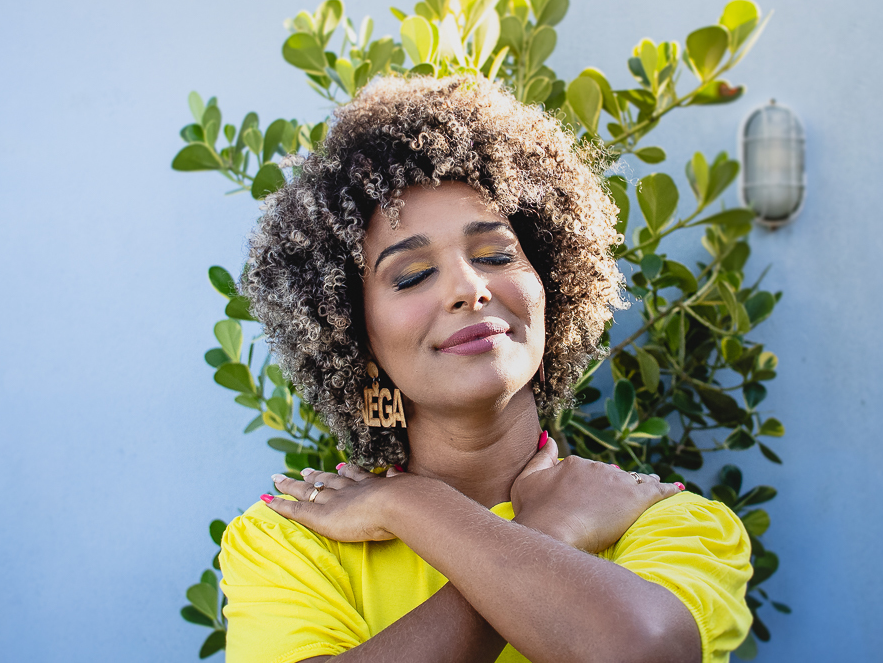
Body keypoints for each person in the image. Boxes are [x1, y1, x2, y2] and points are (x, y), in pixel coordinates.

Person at [219, 74, 753, 663]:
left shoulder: (660, 519)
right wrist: (546, 530)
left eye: (496, 255)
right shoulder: (293, 540)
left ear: (553, 289)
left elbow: (643, 649)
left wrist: (410, 506)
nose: (469, 289)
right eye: (412, 274)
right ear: (354, 336)